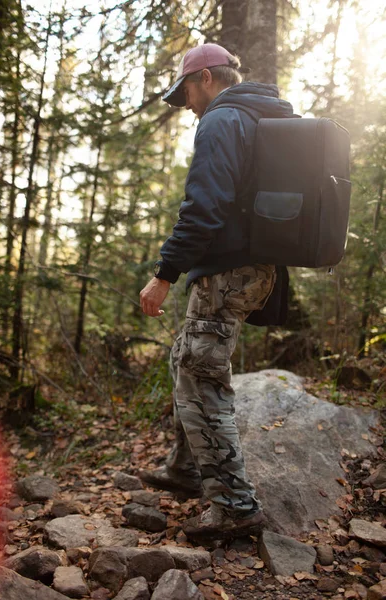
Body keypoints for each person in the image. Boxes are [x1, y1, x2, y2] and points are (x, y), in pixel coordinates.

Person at [139, 43, 293, 542]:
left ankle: (234, 507)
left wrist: (165, 273)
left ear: (205, 77)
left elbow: (203, 206)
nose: (186, 103)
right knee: (186, 358)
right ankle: (186, 468)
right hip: (252, 268)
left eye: (186, 91)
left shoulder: (223, 119)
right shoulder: (256, 116)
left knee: (202, 376)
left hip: (227, 269)